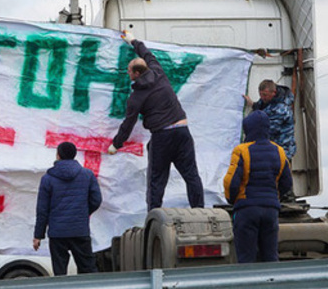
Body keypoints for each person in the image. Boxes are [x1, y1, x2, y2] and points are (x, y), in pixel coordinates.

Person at [108, 32, 204, 211]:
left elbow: (128, 124)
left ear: (136, 73)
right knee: (191, 175)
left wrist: (115, 144)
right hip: (182, 131)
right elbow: (146, 54)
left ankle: (154, 215)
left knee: (157, 180)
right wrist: (133, 41)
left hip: (163, 137)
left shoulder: (136, 97)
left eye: (129, 71)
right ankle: (199, 210)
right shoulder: (158, 71)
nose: (127, 73)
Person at [223, 110, 292, 263]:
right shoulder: (279, 151)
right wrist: (274, 197)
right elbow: (287, 183)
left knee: (247, 258)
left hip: (247, 210)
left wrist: (231, 199)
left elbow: (231, 182)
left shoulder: (242, 150)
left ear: (248, 128)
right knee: (270, 257)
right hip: (270, 211)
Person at [33, 142, 102, 276]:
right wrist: (83, 213)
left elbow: (42, 209)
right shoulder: (87, 175)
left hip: (57, 233)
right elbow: (96, 200)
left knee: (60, 274)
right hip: (80, 230)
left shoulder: (47, 179)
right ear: (74, 155)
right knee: (88, 271)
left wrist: (38, 235)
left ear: (58, 155)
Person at [243, 79, 296, 160]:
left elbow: (268, 130)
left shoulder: (281, 109)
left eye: (264, 95)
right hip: (271, 150)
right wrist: (252, 104)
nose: (262, 97)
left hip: (282, 151)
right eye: (260, 95)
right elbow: (261, 108)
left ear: (274, 92)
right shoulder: (268, 100)